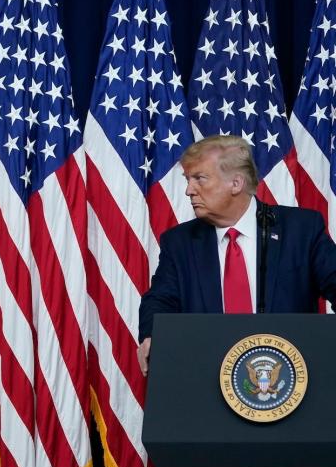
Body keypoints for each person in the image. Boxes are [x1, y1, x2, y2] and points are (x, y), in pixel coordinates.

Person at [137, 134, 336, 376]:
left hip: (291, 377)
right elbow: (159, 300)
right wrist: (152, 335)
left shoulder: (300, 229)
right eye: (188, 180)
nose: (189, 190)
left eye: (199, 178)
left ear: (236, 183)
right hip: (207, 378)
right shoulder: (180, 242)